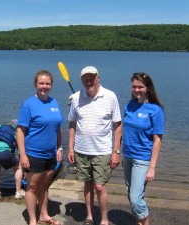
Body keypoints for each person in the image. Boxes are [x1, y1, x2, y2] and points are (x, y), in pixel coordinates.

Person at [68, 66, 122, 225]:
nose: (89, 81)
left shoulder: (110, 96)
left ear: (98, 78)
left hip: (102, 151)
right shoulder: (77, 98)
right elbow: (72, 124)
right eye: (85, 78)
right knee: (87, 184)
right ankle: (90, 216)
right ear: (82, 80)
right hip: (81, 150)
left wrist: (116, 151)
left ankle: (104, 219)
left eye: (92, 78)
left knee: (99, 186)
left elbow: (118, 126)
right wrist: (70, 148)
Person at [16, 70, 64, 225]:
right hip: (33, 154)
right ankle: (32, 220)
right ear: (35, 84)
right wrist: (23, 155)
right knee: (32, 187)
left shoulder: (54, 103)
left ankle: (44, 214)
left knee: (44, 185)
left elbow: (57, 128)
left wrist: (59, 147)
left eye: (47, 83)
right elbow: (20, 131)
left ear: (51, 85)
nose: (44, 86)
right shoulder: (28, 104)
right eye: (41, 83)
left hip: (50, 154)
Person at [122, 72, 165, 225]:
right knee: (131, 194)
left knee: (135, 198)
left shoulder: (155, 110)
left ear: (148, 88)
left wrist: (152, 167)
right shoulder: (129, 105)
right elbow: (125, 129)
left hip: (142, 159)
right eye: (134, 86)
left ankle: (144, 220)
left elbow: (158, 140)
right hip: (127, 156)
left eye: (140, 87)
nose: (137, 90)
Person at [0, 119, 25, 200]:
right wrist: (22, 164)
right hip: (4, 152)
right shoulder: (17, 132)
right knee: (18, 168)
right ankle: (18, 192)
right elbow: (19, 152)